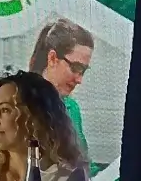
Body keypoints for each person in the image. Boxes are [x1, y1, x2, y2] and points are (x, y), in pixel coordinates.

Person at [30, 17, 94, 161]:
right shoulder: (18, 104)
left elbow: (84, 163)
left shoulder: (72, 108)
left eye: (83, 71)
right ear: (52, 58)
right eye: (76, 68)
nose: (79, 80)